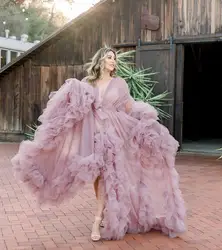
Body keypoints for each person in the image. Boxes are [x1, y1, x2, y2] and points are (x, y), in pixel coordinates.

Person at [11, 46, 186, 242]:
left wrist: (143, 122)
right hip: (92, 134)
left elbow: (128, 108)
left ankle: (97, 219)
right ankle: (104, 211)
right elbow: (80, 109)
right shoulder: (88, 83)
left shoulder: (119, 83)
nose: (113, 61)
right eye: (109, 57)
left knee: (107, 175)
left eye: (114, 59)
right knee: (97, 176)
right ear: (100, 60)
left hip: (114, 133)